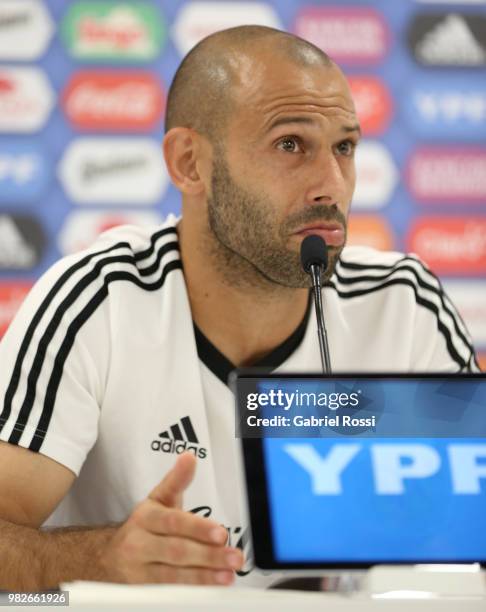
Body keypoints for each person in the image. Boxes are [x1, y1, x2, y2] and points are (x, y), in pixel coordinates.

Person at [0, 25, 479, 591]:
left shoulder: (404, 305)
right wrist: (94, 559)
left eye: (344, 147)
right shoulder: (98, 301)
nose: (332, 184)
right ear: (189, 163)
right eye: (290, 145)